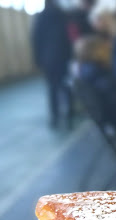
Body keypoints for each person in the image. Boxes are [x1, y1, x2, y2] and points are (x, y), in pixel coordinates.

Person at [74, 35, 116, 141]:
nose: (109, 49)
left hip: (114, 126)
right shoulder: (103, 79)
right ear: (98, 53)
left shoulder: (87, 73)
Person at [31, 0, 73, 129]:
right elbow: (69, 36)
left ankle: (55, 116)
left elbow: (36, 38)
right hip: (63, 56)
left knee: (52, 88)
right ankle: (70, 110)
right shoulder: (63, 15)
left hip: (48, 58)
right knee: (65, 84)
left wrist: (38, 59)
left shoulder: (41, 16)